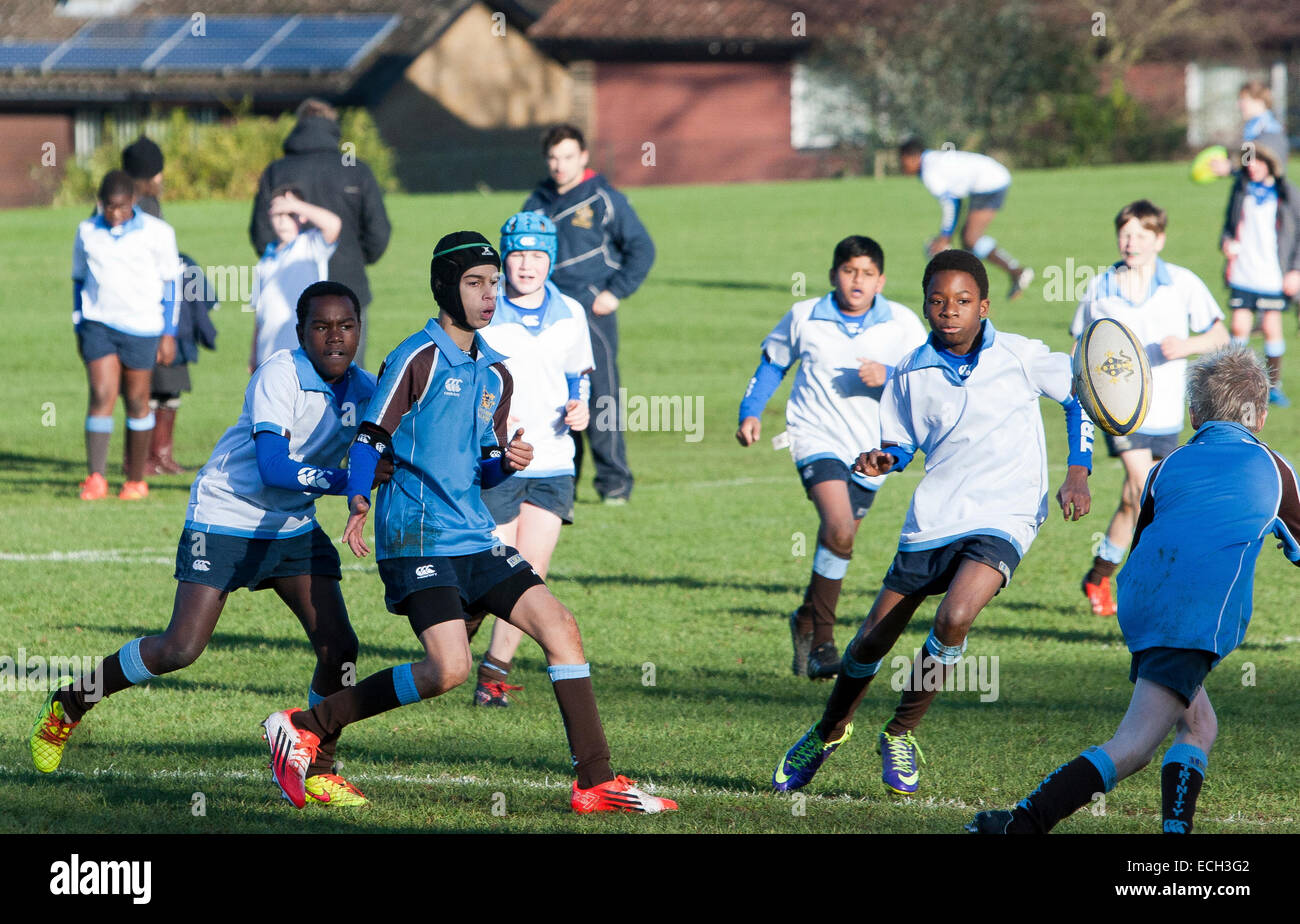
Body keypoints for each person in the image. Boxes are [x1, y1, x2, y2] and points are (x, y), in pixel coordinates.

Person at [258, 232, 678, 815]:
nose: (489, 295)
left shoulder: (495, 374)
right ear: (444, 287)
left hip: (473, 535)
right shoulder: (415, 357)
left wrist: (503, 462)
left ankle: (595, 781)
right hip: (418, 538)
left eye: (494, 284)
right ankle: (306, 725)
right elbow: (371, 437)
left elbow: (478, 469)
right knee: (449, 669)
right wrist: (357, 500)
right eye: (475, 283)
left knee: (561, 627)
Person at [32, 281, 379, 806]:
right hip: (225, 516)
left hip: (290, 528)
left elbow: (401, 445)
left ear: (359, 329)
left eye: (346, 326)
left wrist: (488, 462)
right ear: (301, 332)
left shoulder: (367, 388)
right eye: (321, 326)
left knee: (340, 647)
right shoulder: (279, 374)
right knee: (179, 648)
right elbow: (273, 467)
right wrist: (348, 483)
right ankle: (68, 705)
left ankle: (316, 766)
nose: (335, 337)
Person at [770, 250, 1093, 797]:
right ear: (924, 307)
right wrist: (883, 459)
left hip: (1008, 514)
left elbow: (1078, 397)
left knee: (954, 616)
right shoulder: (910, 372)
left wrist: (1078, 472)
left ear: (984, 305)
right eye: (938, 301)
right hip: (937, 514)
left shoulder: (1021, 354)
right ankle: (828, 730)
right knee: (870, 642)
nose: (950, 311)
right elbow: (902, 441)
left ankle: (900, 732)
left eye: (963, 301)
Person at [968, 347, 1299, 834]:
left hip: (1143, 604)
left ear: (1192, 414)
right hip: (1190, 619)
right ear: (1262, 415)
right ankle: (1021, 824)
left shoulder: (1166, 467)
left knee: (1199, 726)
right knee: (1133, 746)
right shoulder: (1274, 470)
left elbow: (1147, 539)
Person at [737, 235, 927, 680]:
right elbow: (773, 364)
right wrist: (751, 412)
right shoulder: (806, 315)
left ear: (880, 280)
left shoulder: (901, 323)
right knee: (839, 527)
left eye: (866, 273)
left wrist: (890, 374)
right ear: (833, 275)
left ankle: (806, 618)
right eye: (848, 271)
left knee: (837, 543)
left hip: (873, 451)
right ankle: (824, 642)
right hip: (813, 436)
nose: (856, 280)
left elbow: (926, 377)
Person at [1075, 200, 1228, 617]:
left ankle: (1099, 575)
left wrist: (1187, 346)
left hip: (1166, 410)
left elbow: (1220, 333)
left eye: (1141, 235)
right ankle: (1152, 586)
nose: (1131, 242)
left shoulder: (1182, 283)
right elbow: (1080, 345)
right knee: (1143, 489)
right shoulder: (1100, 286)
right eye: (1125, 233)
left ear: (1159, 239)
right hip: (1119, 411)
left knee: (1136, 501)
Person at [470, 211, 595, 707]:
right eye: (518, 255)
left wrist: (580, 404)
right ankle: (454, 642)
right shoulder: (484, 308)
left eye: (537, 255)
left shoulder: (570, 313)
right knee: (491, 570)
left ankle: (493, 674)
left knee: (529, 575)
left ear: (551, 260)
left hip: (554, 459)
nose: (526, 265)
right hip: (497, 459)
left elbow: (576, 375)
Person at [523, 124, 655, 504]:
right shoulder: (537, 201)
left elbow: (642, 248)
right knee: (551, 396)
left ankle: (615, 484)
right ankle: (563, 479)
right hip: (545, 312)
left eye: (567, 157)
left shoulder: (603, 198)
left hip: (591, 310)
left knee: (600, 398)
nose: (560, 165)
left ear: (583, 156)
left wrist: (614, 293)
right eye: (553, 158)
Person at [250, 98, 391, 368]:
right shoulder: (355, 169)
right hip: (350, 289)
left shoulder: (277, 171)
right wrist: (356, 258)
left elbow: (261, 236)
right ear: (332, 127)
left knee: (289, 383)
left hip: (291, 297)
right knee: (346, 381)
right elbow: (378, 233)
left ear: (299, 125)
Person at [72, 169, 180, 501]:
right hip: (98, 324)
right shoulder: (87, 231)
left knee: (136, 400)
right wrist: (78, 321)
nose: (115, 213)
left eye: (121, 206)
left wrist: (168, 332)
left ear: (133, 201)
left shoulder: (158, 233)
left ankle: (135, 481)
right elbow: (78, 279)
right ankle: (96, 478)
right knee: (102, 395)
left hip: (143, 326)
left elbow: (171, 284)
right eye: (108, 206)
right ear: (99, 203)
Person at [120, 135, 217, 475]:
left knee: (149, 385)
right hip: (150, 309)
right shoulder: (144, 206)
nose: (161, 180)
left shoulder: (118, 202)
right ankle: (149, 459)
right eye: (158, 173)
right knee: (159, 380)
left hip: (129, 309)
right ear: (149, 175)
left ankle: (151, 457)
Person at [898, 137, 1033, 300]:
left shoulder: (929, 172)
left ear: (911, 157)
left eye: (902, 160)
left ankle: (1016, 273)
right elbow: (956, 201)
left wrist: (945, 237)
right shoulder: (931, 161)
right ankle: (979, 288)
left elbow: (951, 203)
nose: (901, 166)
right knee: (968, 240)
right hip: (992, 177)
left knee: (970, 238)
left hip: (989, 183)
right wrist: (947, 235)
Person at [1220, 142, 1300, 406]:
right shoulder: (1241, 189)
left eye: (1257, 162)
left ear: (1269, 163)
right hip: (1244, 270)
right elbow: (1229, 225)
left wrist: (1295, 270)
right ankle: (1236, 382)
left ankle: (1273, 384)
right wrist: (1226, 242)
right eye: (1248, 162)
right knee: (1239, 326)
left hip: (1271, 273)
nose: (1252, 167)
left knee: (1270, 326)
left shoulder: (1286, 192)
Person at [249, 187, 342, 372]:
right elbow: (259, 315)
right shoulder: (264, 261)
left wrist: (297, 205)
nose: (283, 220)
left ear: (301, 216)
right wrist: (254, 355)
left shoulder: (309, 245)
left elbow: (334, 225)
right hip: (268, 355)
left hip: (303, 353)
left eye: (290, 214)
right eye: (278, 214)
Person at [1209, 80, 1290, 179]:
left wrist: (1230, 168)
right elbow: (1248, 161)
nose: (1238, 105)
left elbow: (1266, 168)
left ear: (1259, 101)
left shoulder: (1270, 131)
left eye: (1243, 99)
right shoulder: (1252, 129)